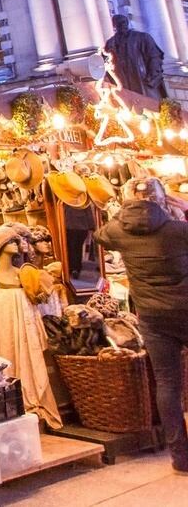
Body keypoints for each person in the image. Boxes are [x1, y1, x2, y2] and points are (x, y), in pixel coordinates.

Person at [96, 177, 188, 474]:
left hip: (152, 316)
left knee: (168, 384)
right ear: (161, 200)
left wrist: (124, 212)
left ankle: (181, 458)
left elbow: (100, 235)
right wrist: (179, 205)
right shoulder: (178, 230)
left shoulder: (117, 231)